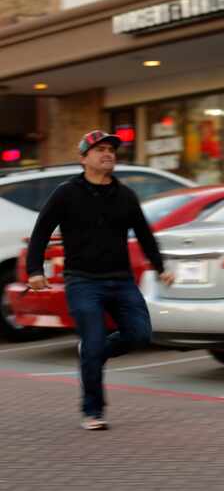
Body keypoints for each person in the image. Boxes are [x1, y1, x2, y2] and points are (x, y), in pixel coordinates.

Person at [26, 130, 175, 431]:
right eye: (99, 149)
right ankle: (93, 410)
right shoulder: (66, 193)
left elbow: (144, 234)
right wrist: (35, 270)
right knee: (93, 340)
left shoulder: (125, 195)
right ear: (84, 158)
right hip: (83, 281)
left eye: (111, 150)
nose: (108, 154)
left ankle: (92, 352)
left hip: (120, 280)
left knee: (139, 334)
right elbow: (42, 230)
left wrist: (160, 266)